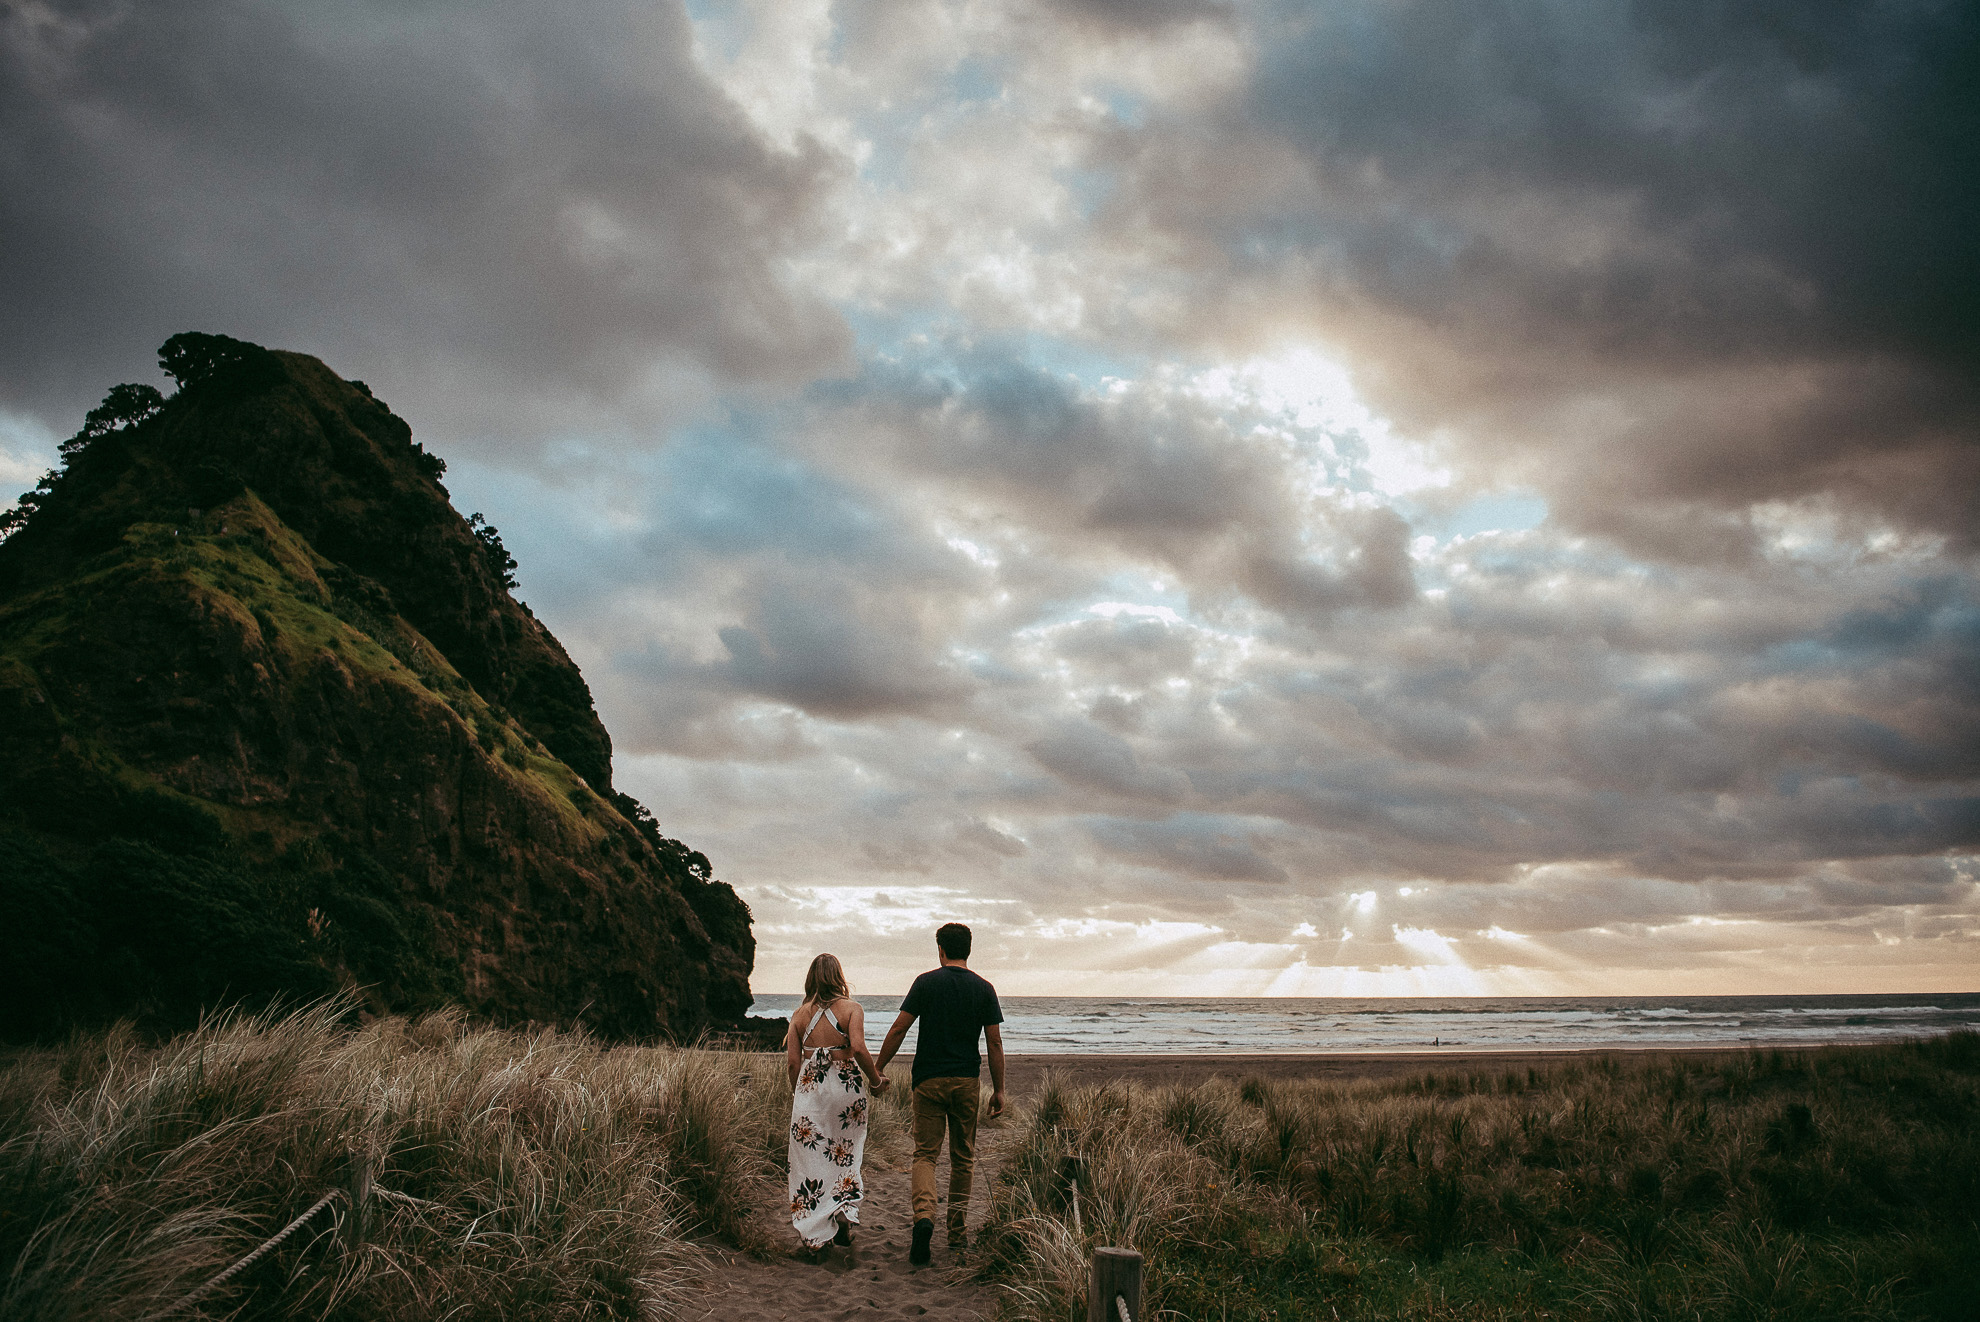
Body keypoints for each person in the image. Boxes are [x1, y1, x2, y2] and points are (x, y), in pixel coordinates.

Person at [875, 922, 1005, 1266]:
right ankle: (958, 1235)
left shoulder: (925, 983)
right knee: (963, 1157)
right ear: (969, 950)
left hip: (928, 1081)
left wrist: (879, 1067)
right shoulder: (985, 989)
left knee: (925, 1155)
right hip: (966, 1081)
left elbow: (900, 1027)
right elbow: (994, 1042)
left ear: (940, 950)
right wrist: (1000, 1089)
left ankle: (924, 1218)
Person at [785, 953, 890, 1254]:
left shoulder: (798, 1016)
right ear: (839, 976)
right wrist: (875, 1081)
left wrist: (799, 1095)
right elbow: (857, 1047)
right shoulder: (852, 1009)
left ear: (810, 978)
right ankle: (843, 1209)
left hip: (811, 1092)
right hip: (847, 1089)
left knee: (810, 1159)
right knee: (846, 1153)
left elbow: (794, 1064)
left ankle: (816, 1233)